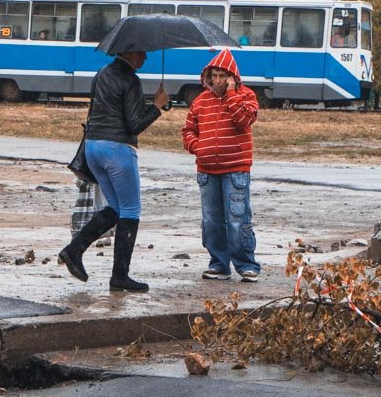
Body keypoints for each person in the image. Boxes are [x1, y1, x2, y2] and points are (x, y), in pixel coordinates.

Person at [58, 50, 168, 292]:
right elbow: (135, 124)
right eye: (142, 53)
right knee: (131, 210)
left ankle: (73, 250)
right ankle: (120, 276)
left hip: (93, 147)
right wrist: (157, 106)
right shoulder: (130, 79)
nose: (145, 58)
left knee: (116, 208)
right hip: (117, 149)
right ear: (128, 51)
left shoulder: (101, 74)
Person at [181, 48, 261, 282]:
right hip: (206, 170)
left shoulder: (246, 97)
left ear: (232, 77)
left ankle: (247, 264)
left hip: (235, 169)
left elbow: (243, 121)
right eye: (214, 75)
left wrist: (232, 94)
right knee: (211, 220)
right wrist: (198, 146)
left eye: (222, 76)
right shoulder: (200, 102)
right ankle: (218, 263)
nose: (217, 80)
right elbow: (188, 130)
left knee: (238, 219)